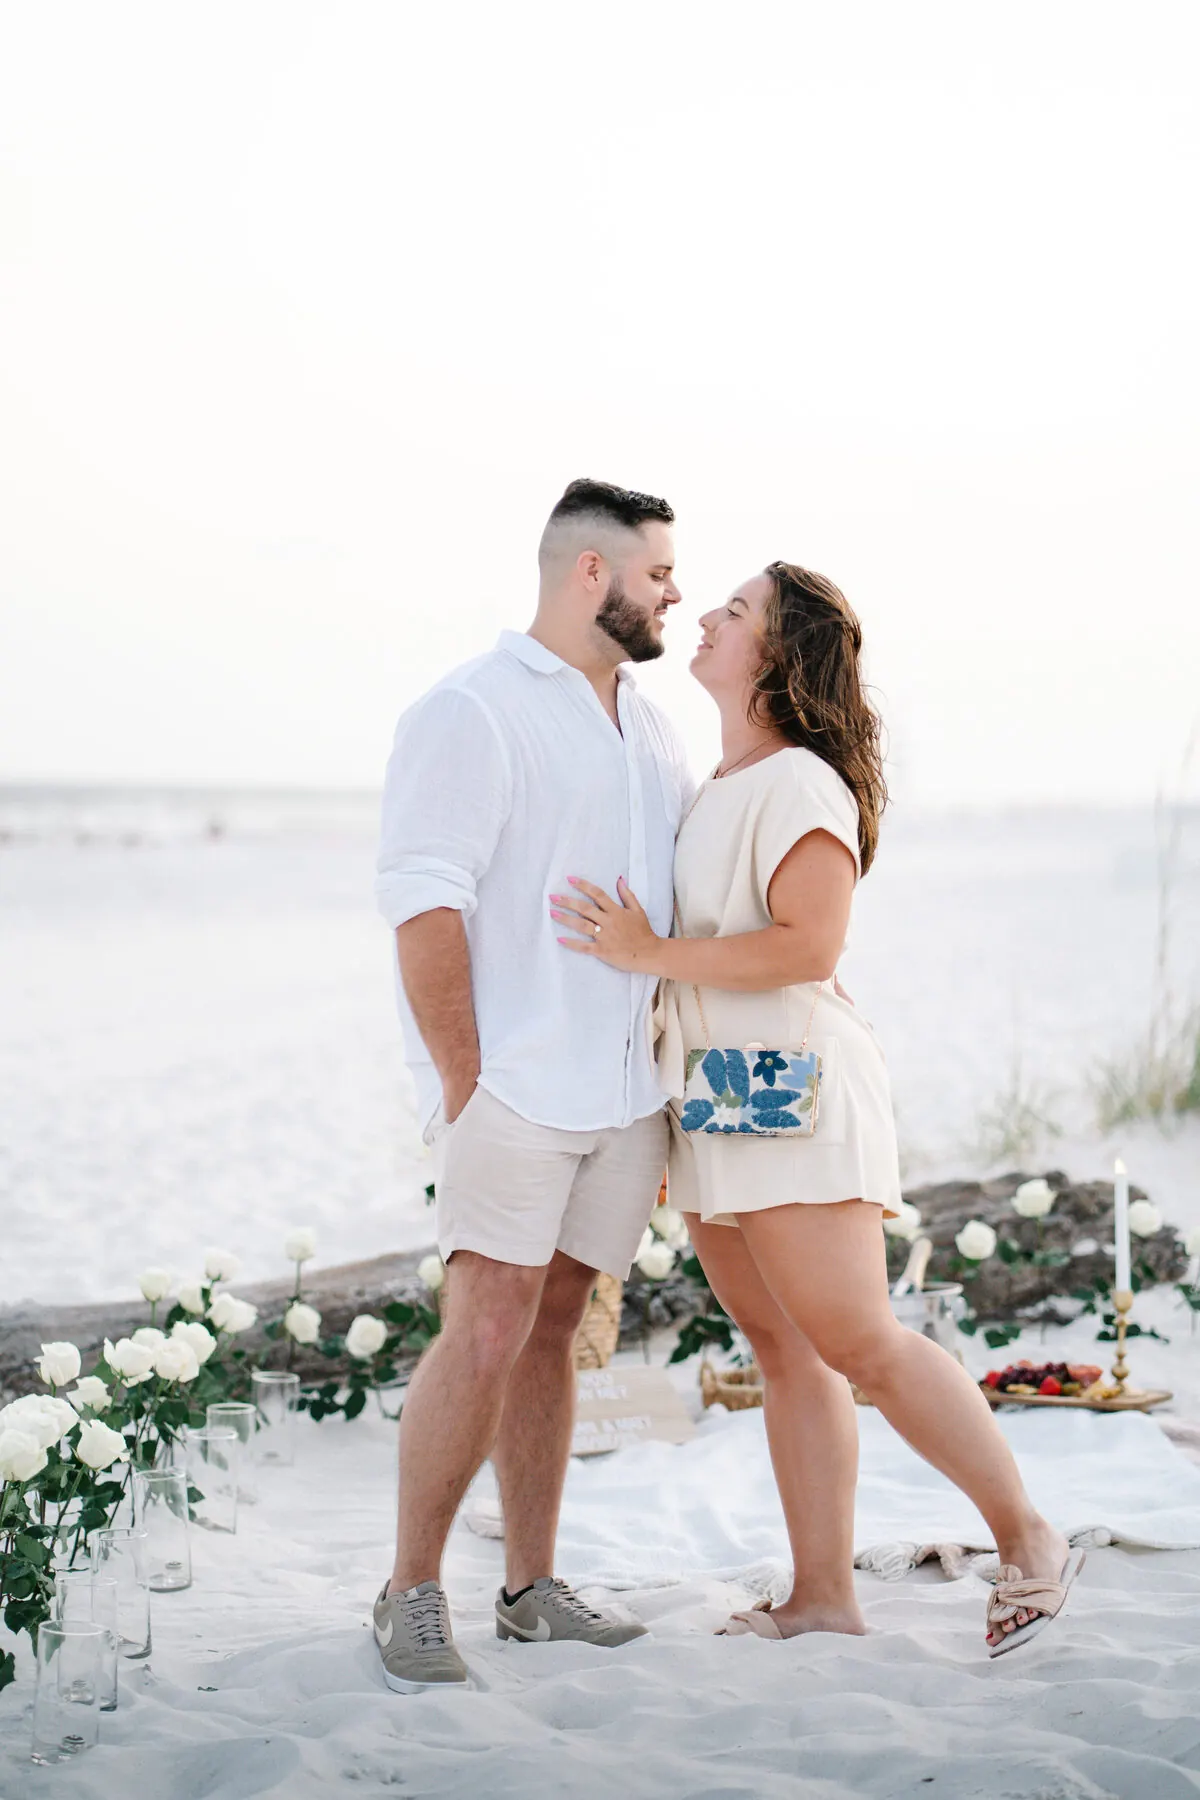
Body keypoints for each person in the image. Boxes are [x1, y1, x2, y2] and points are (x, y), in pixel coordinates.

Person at [551, 560, 1083, 1657]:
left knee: (862, 1343)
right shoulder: (724, 785)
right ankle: (823, 1595)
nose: (704, 616)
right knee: (784, 1351)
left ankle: (1031, 1538)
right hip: (715, 1105)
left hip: (792, 1095)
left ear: (779, 656)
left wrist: (647, 948)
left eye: (734, 611)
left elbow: (811, 945)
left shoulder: (799, 782)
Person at [372, 478, 691, 1691]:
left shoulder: (648, 725)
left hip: (622, 1093)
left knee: (556, 1329)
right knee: (488, 1326)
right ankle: (408, 1593)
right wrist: (468, 1084)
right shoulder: (473, 709)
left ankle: (529, 1588)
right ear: (592, 575)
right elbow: (422, 904)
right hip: (514, 1087)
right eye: (661, 572)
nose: (676, 593)